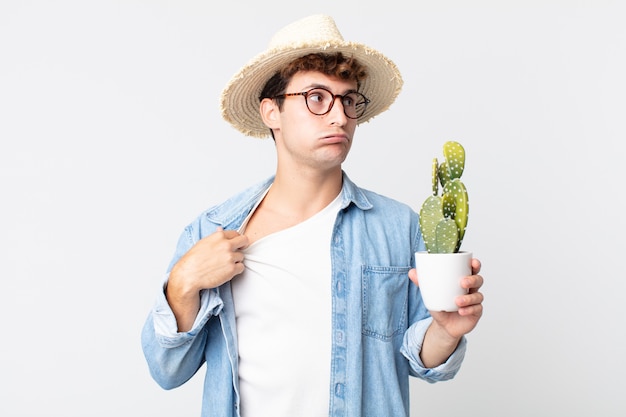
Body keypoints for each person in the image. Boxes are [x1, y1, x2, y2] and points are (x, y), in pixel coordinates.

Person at [141, 14, 484, 417]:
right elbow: (167, 371)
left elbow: (420, 362)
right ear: (272, 113)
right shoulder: (214, 230)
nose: (340, 116)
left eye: (349, 100)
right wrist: (182, 285)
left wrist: (445, 330)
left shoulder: (398, 226)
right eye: (317, 98)